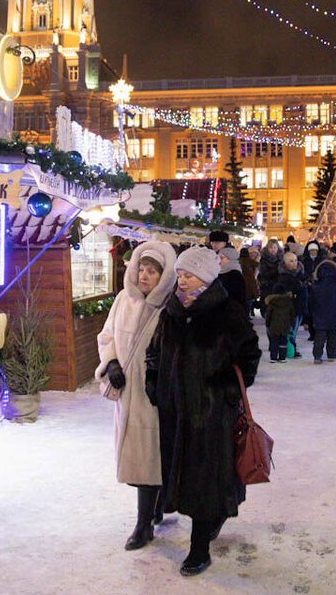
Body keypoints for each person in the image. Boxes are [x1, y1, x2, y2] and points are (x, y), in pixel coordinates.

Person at [145, 247, 260, 577]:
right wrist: (154, 382)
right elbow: (154, 353)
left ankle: (199, 550)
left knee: (204, 481)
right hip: (175, 413)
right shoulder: (172, 312)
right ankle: (211, 518)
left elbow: (249, 357)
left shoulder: (227, 313)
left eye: (189, 274)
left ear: (207, 278)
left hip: (211, 415)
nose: (182, 280)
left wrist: (225, 390)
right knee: (181, 477)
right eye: (180, 274)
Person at [94, 241, 177, 551]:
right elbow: (107, 336)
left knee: (148, 456)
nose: (145, 276)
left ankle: (144, 525)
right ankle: (154, 509)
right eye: (142, 269)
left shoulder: (170, 306)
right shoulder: (123, 300)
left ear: (164, 274)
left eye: (152, 271)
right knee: (139, 457)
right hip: (128, 393)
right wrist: (112, 362)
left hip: (155, 395)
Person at [308, 259, 336, 363]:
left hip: (319, 314)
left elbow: (311, 301)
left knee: (319, 336)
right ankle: (332, 355)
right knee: (332, 336)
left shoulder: (315, 286)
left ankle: (317, 355)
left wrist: (312, 313)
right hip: (334, 314)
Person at [278, 252, 307, 358]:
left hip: (300, 304)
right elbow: (290, 288)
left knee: (294, 329)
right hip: (290, 307)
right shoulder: (284, 276)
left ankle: (290, 348)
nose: (294, 263)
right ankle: (290, 348)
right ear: (285, 263)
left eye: (295, 260)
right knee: (291, 329)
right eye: (291, 261)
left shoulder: (300, 273)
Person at [262, 283, 295, 363]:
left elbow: (268, 315)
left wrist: (267, 324)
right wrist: (291, 323)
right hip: (285, 325)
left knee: (274, 342)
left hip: (274, 326)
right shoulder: (289, 301)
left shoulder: (272, 302)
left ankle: (273, 357)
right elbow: (292, 314)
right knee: (283, 341)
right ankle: (282, 357)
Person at [238, 247, 259, 316]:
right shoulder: (248, 260)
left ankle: (244, 314)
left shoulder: (238, 260)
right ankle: (248, 313)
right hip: (250, 283)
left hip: (241, 282)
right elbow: (257, 264)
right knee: (249, 299)